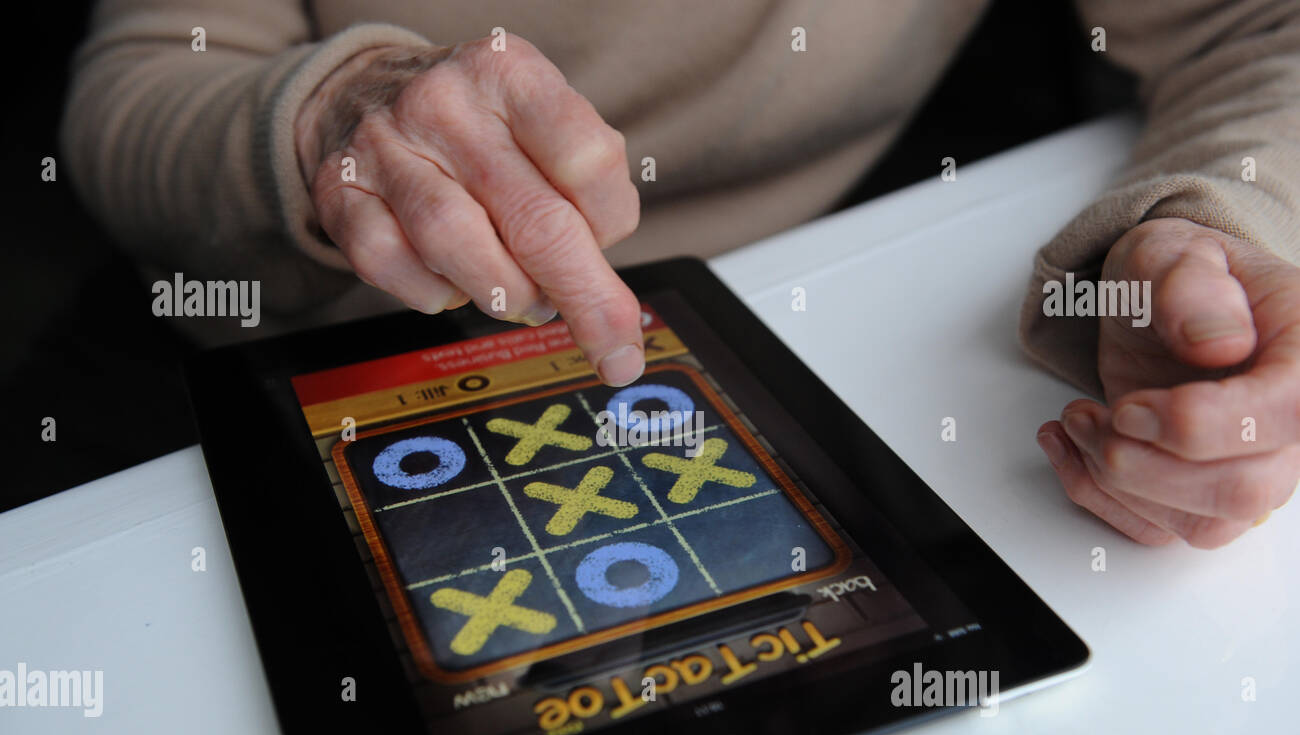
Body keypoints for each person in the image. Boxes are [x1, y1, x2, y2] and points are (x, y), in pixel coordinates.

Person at [61, 0, 1300, 548]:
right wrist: (331, 114)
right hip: (267, 337)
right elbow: (141, 82)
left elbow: (1251, 27)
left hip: (808, 311)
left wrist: (1221, 226)